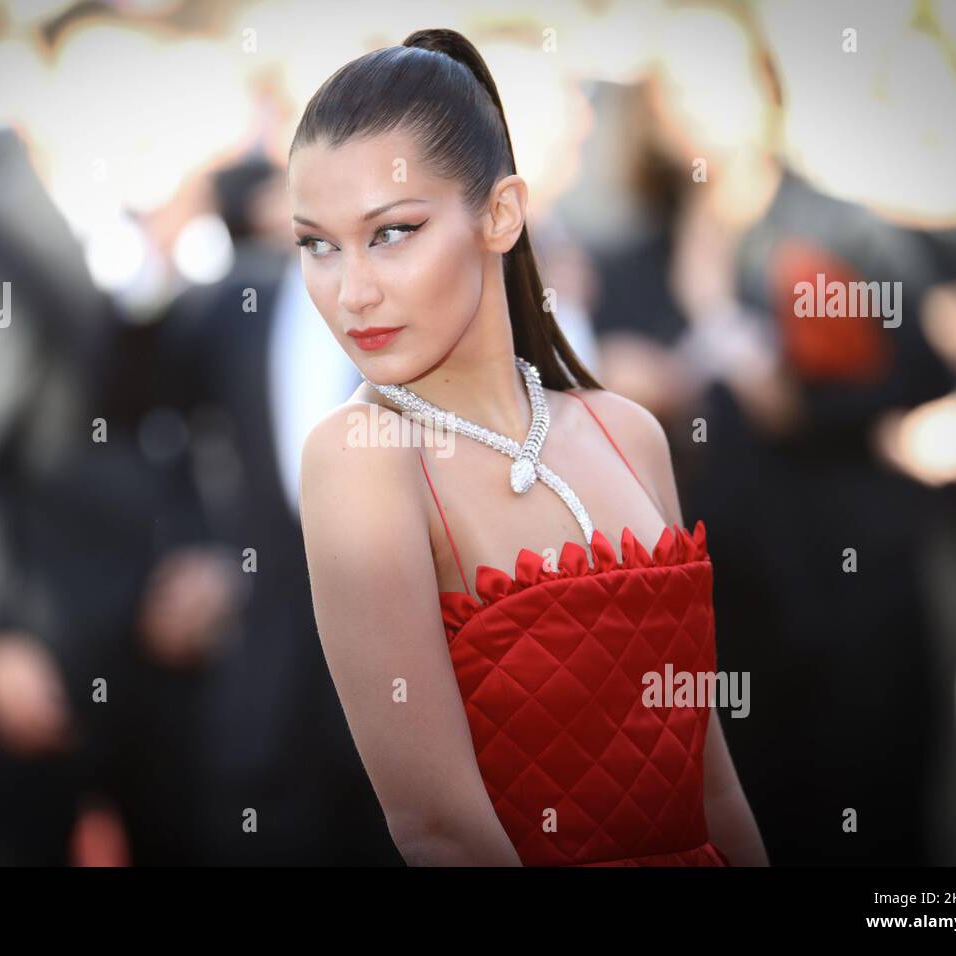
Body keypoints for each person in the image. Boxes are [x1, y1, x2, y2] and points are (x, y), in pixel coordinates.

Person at [290, 28, 767, 866]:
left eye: (392, 232)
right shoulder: (362, 459)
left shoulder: (630, 434)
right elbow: (438, 829)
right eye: (318, 244)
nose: (352, 291)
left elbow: (713, 787)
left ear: (501, 213)